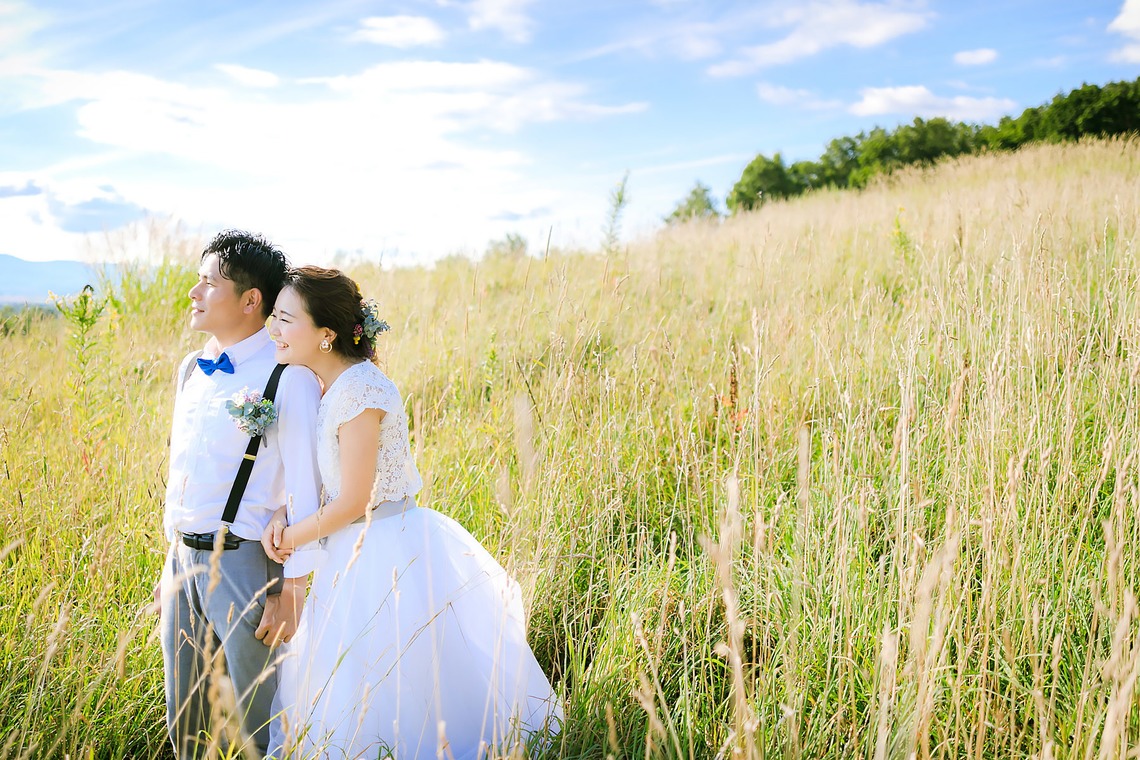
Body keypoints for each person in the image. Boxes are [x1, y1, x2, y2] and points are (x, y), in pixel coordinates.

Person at [263, 266, 562, 759]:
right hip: (353, 546)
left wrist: (293, 537)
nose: (275, 329)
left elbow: (356, 498)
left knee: (393, 677)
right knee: (353, 677)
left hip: (383, 547)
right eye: (274, 316)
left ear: (326, 335)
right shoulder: (329, 386)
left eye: (286, 318)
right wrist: (282, 517)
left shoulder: (360, 390)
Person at [158, 230, 323, 757]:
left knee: (260, 721)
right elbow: (182, 474)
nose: (194, 292)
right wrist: (170, 562)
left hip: (246, 566)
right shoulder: (191, 368)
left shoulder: (287, 376)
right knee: (182, 718)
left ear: (252, 300)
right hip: (183, 560)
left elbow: (304, 488)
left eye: (208, 282)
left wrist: (292, 590)